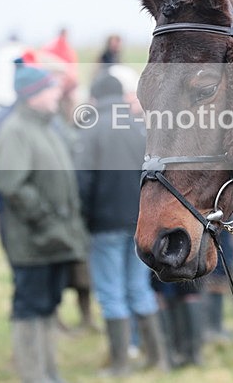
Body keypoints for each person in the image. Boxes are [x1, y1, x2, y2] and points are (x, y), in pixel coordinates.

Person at [0, 61, 88, 383]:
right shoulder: (16, 131)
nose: (56, 93)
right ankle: (33, 374)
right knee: (30, 308)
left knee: (48, 305)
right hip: (33, 241)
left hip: (55, 240)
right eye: (49, 88)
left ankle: (49, 372)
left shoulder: (48, 126)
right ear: (32, 95)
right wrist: (47, 220)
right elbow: (13, 185)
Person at [74, 71, 168, 375]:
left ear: (95, 98)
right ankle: (157, 358)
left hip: (104, 223)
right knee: (138, 288)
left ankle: (120, 364)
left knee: (111, 292)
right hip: (141, 222)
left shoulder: (90, 130)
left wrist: (84, 218)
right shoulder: (140, 128)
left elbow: (83, 181)